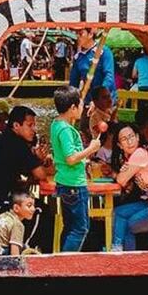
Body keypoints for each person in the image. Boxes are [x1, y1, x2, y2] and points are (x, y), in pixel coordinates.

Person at [0, 105, 53, 215]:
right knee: (42, 211)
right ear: (16, 125)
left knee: (40, 207)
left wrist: (39, 161)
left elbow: (29, 172)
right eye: (30, 125)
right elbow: (41, 174)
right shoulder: (17, 144)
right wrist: (39, 160)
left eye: (34, 125)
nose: (34, 130)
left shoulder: (7, 139)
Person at [51, 85, 101, 252]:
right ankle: (66, 262)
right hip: (74, 184)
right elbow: (71, 158)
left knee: (70, 226)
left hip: (65, 182)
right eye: (80, 104)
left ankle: (61, 260)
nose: (82, 107)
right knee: (80, 228)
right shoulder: (65, 130)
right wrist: (91, 149)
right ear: (72, 108)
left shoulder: (56, 124)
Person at [69, 28, 116, 108]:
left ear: (90, 34)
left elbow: (109, 77)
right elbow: (73, 83)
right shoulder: (78, 57)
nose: (77, 37)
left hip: (105, 101)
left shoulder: (104, 52)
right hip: (87, 100)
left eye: (80, 34)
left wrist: (98, 99)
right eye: (76, 34)